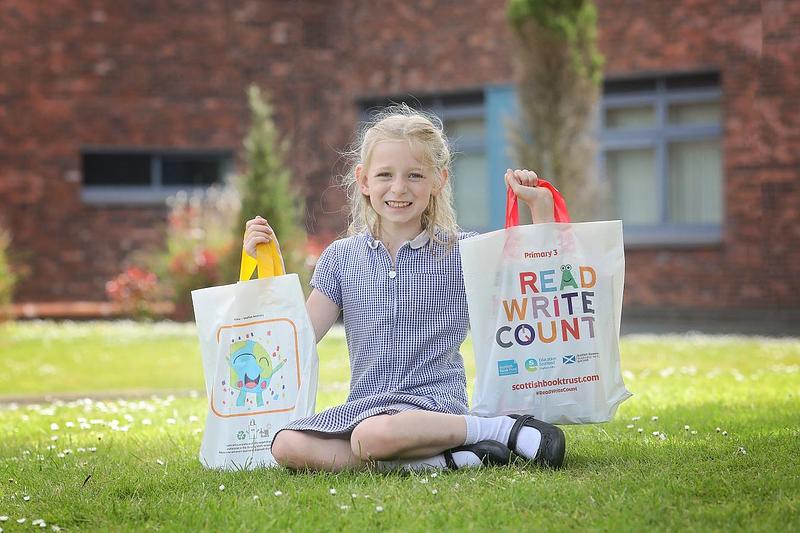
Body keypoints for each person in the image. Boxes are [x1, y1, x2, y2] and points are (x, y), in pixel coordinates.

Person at [243, 105, 565, 472]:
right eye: (385, 175)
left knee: (371, 439)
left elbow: (538, 284)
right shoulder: (341, 257)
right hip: (366, 407)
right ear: (363, 181)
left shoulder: (463, 252)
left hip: (433, 406)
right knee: (286, 444)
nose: (399, 188)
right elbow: (297, 340)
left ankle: (499, 429)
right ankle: (443, 461)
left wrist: (541, 210)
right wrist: (273, 274)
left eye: (415, 175)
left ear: (438, 180)